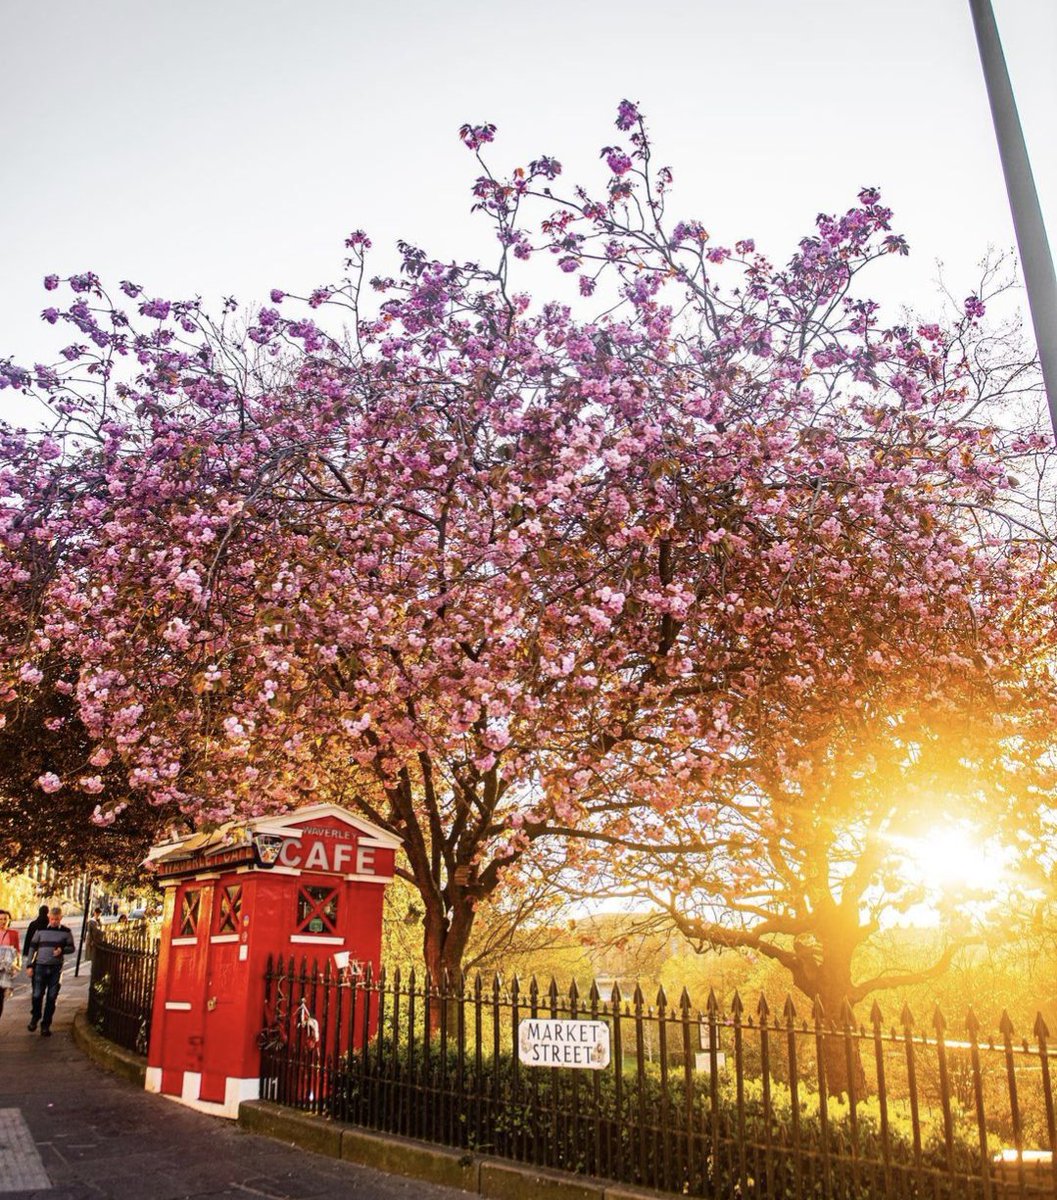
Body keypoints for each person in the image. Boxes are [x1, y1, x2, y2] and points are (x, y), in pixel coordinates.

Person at [25, 906, 75, 1037]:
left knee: (52, 998)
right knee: (36, 995)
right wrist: (29, 965)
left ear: (61, 918)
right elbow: (32, 947)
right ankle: (35, 1017)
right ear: (49, 918)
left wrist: (62, 950)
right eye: (52, 919)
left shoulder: (66, 932)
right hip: (40, 966)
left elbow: (71, 948)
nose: (54, 922)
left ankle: (45, 1025)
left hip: (55, 968)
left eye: (57, 919)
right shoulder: (40, 930)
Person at [0, 910, 20, 1019]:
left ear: (9, 920)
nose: (3, 921)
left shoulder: (14, 933)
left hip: (6, 970)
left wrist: (17, 965)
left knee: (0, 996)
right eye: (1, 919)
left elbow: (17, 951)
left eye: (5, 919)